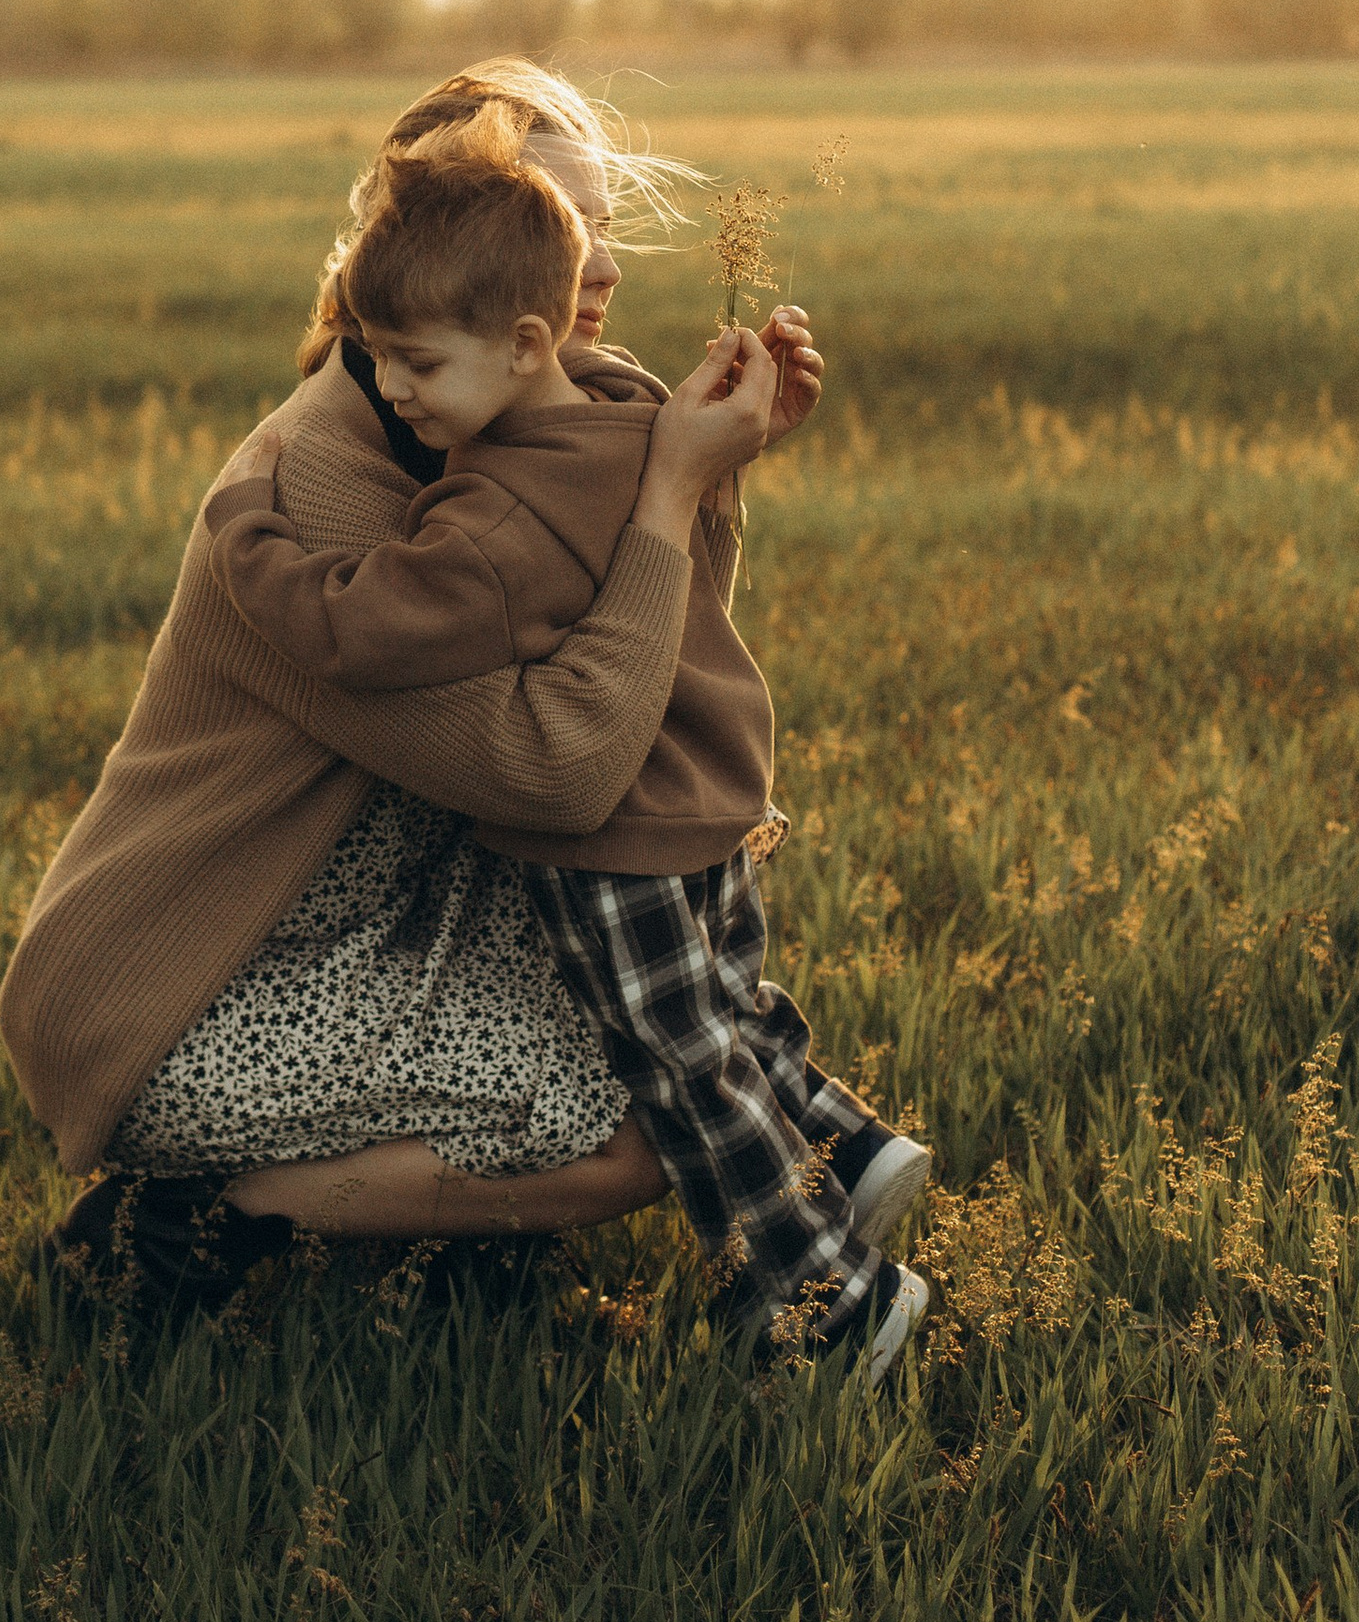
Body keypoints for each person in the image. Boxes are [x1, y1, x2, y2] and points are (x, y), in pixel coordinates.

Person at [0, 61, 834, 1299]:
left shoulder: (493, 416)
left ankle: (438, 1250)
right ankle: (187, 1221)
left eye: (598, 224)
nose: (596, 265)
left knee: (659, 1012)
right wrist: (661, 487)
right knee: (642, 1131)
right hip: (176, 990)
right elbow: (565, 771)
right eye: (556, 222)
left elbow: (656, 670)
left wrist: (707, 472)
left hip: (357, 917)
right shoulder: (320, 500)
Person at [207, 105, 929, 1377]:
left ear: (513, 329)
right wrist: (710, 457)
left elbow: (364, 626)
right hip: (713, 786)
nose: (393, 388)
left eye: (416, 363)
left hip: (620, 821)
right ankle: (845, 1151)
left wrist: (250, 548)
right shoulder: (619, 413)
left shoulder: (493, 502)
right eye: (383, 359)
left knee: (680, 1063)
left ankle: (822, 1300)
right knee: (718, 1011)